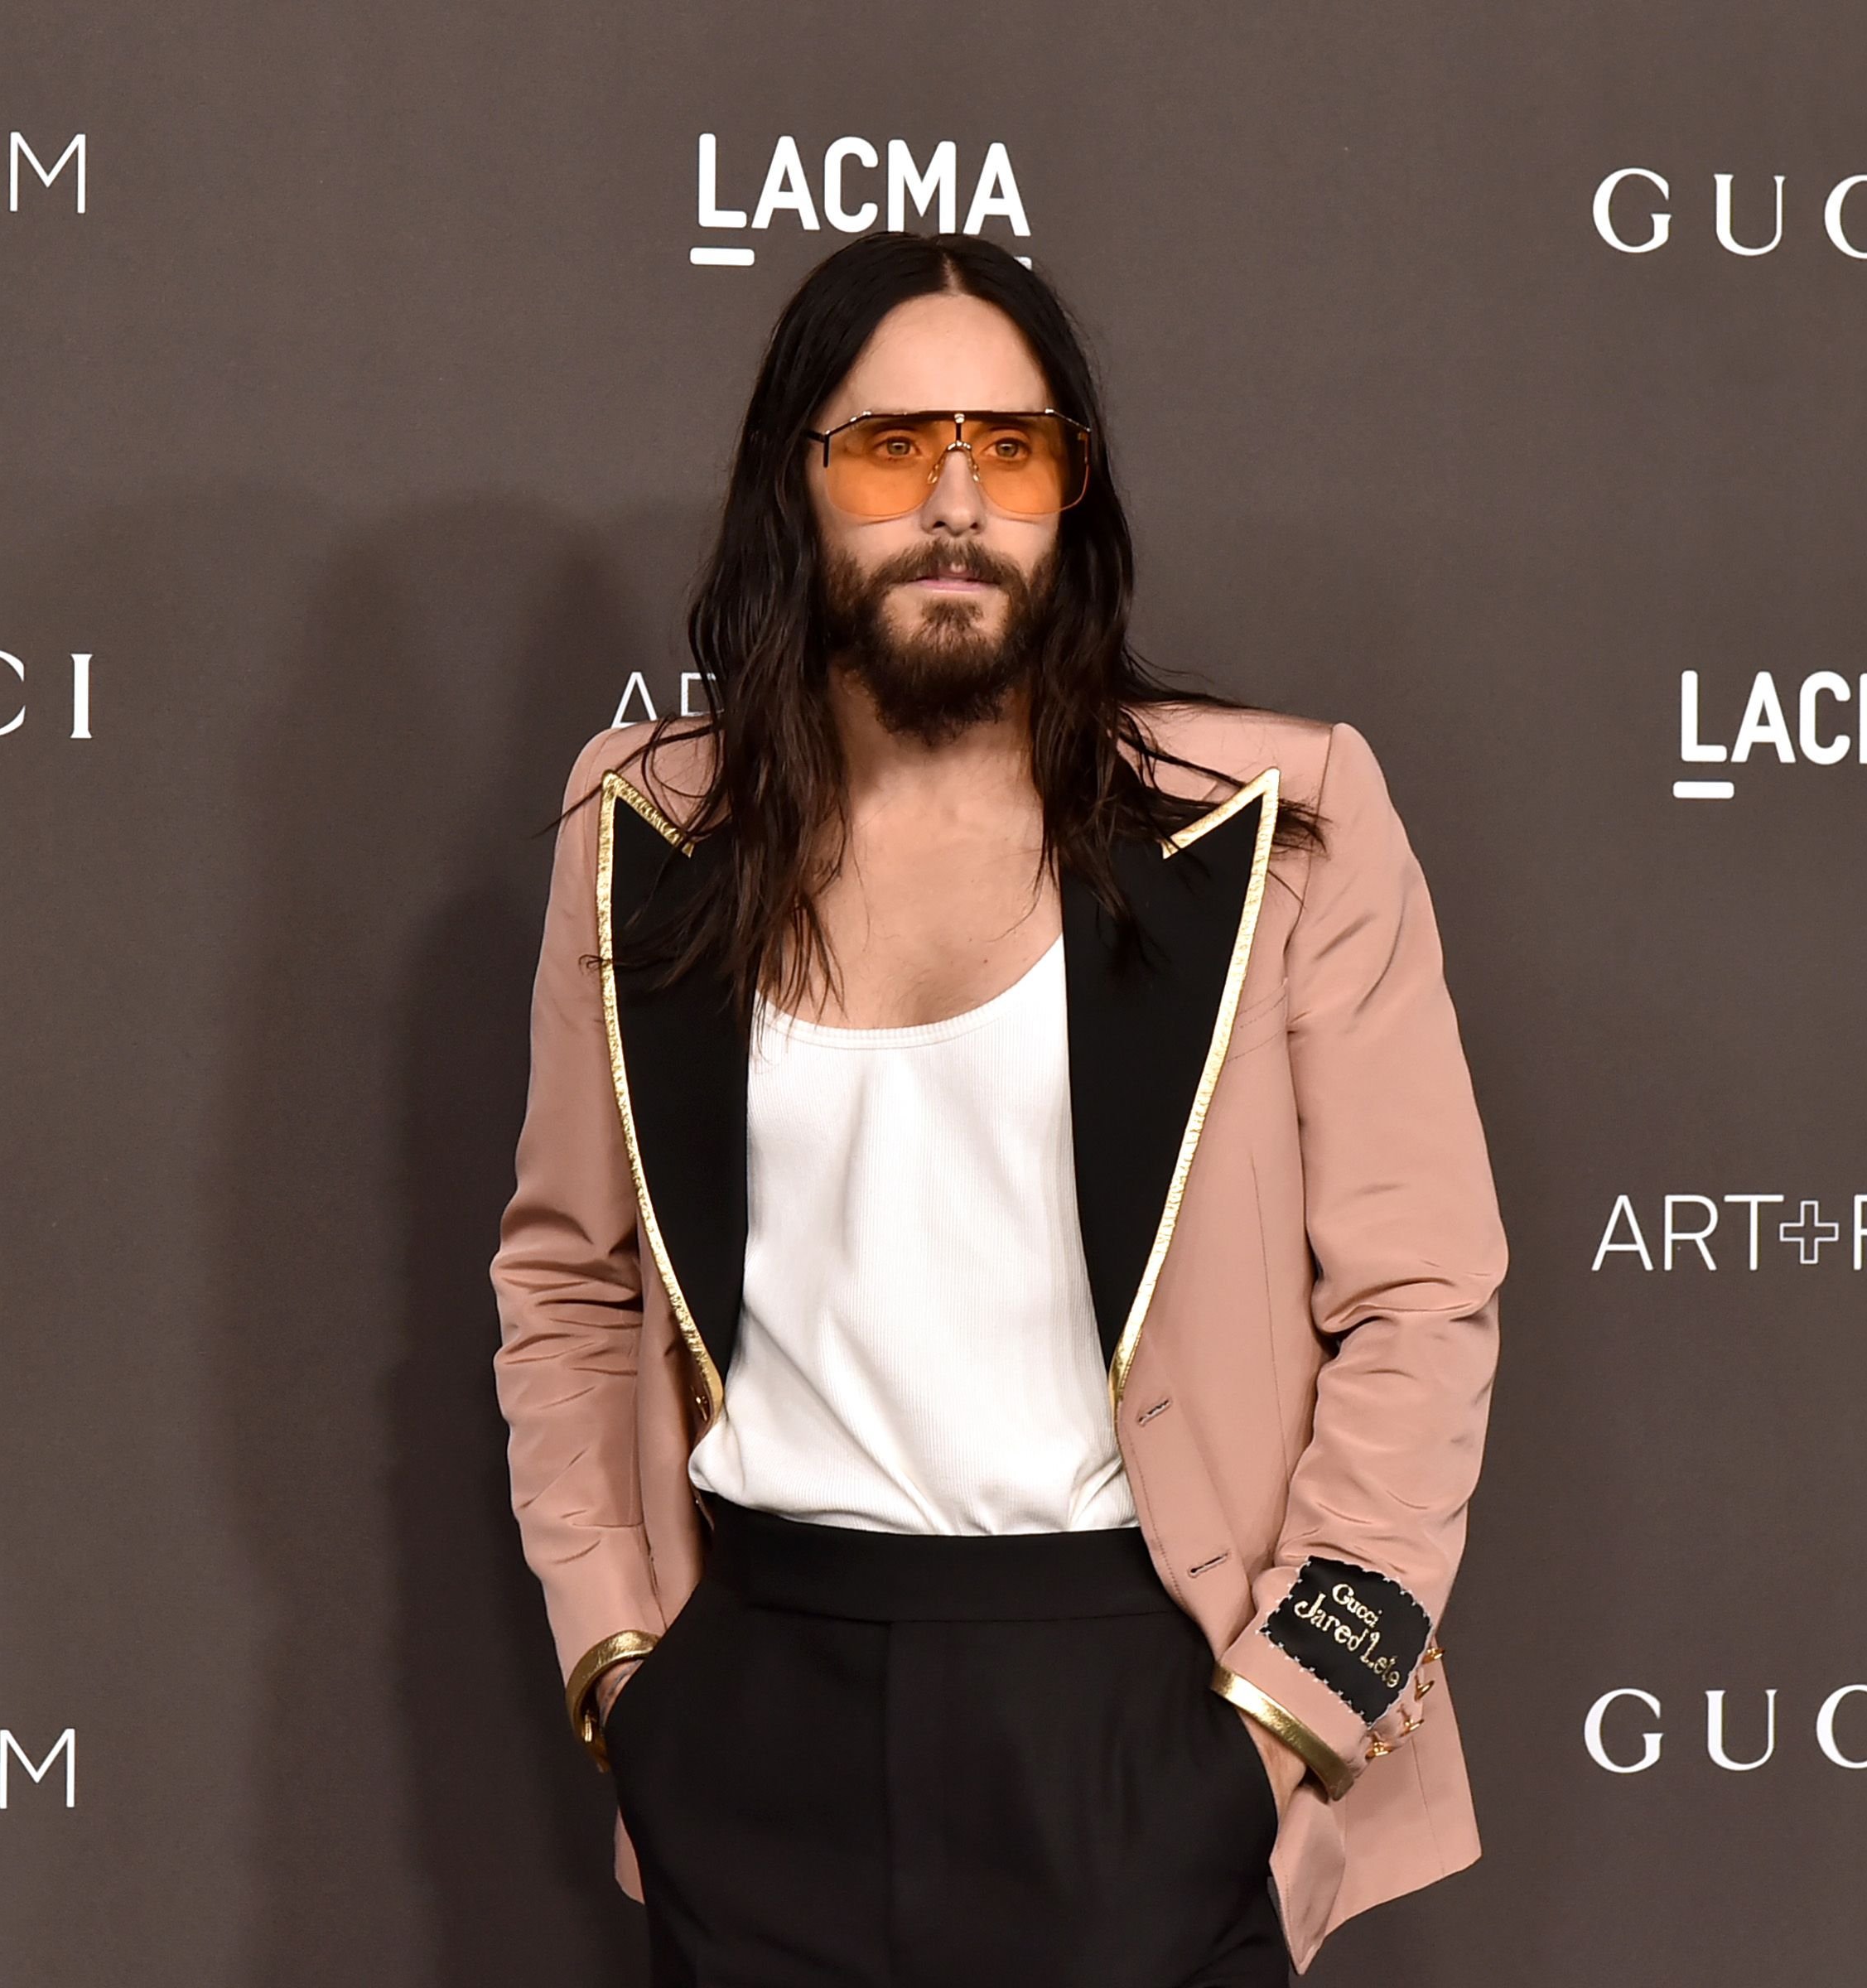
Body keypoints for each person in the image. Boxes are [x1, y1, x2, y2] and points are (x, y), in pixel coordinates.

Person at [490, 229, 1508, 1986]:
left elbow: (1423, 1305)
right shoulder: (642, 834)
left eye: (1012, 447)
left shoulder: (1284, 825)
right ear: (795, 483)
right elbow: (567, 1286)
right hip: (753, 1712)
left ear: (1071, 494)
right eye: (894, 446)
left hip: (1143, 1708)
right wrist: (624, 1673)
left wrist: (1278, 1725)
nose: (956, 500)